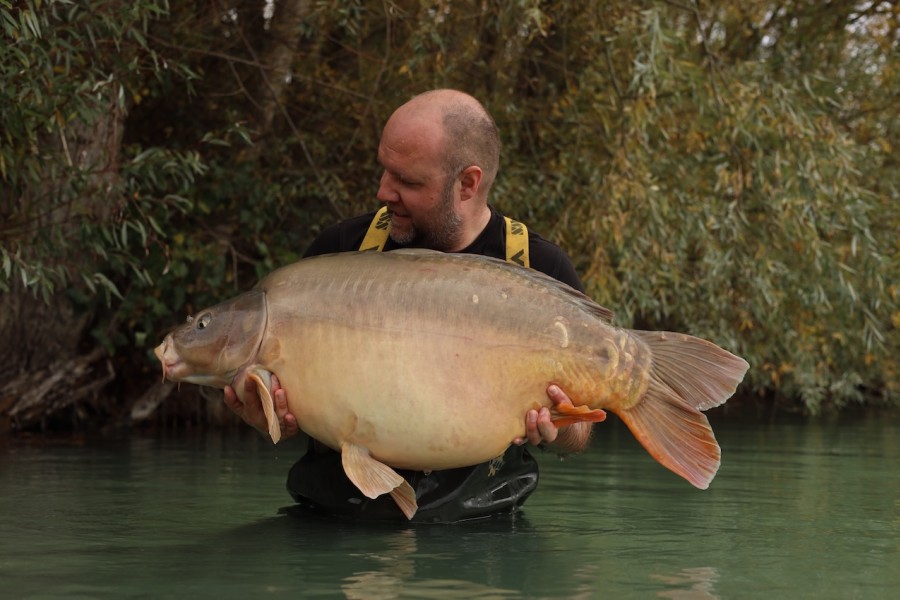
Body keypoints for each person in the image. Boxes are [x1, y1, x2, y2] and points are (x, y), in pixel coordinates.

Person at [224, 89, 593, 522]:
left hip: (485, 538)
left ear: (467, 184)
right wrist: (269, 418)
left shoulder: (541, 268)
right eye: (385, 171)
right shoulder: (339, 255)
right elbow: (288, 408)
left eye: (408, 181)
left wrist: (555, 432)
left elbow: (581, 431)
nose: (384, 191)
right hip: (332, 523)